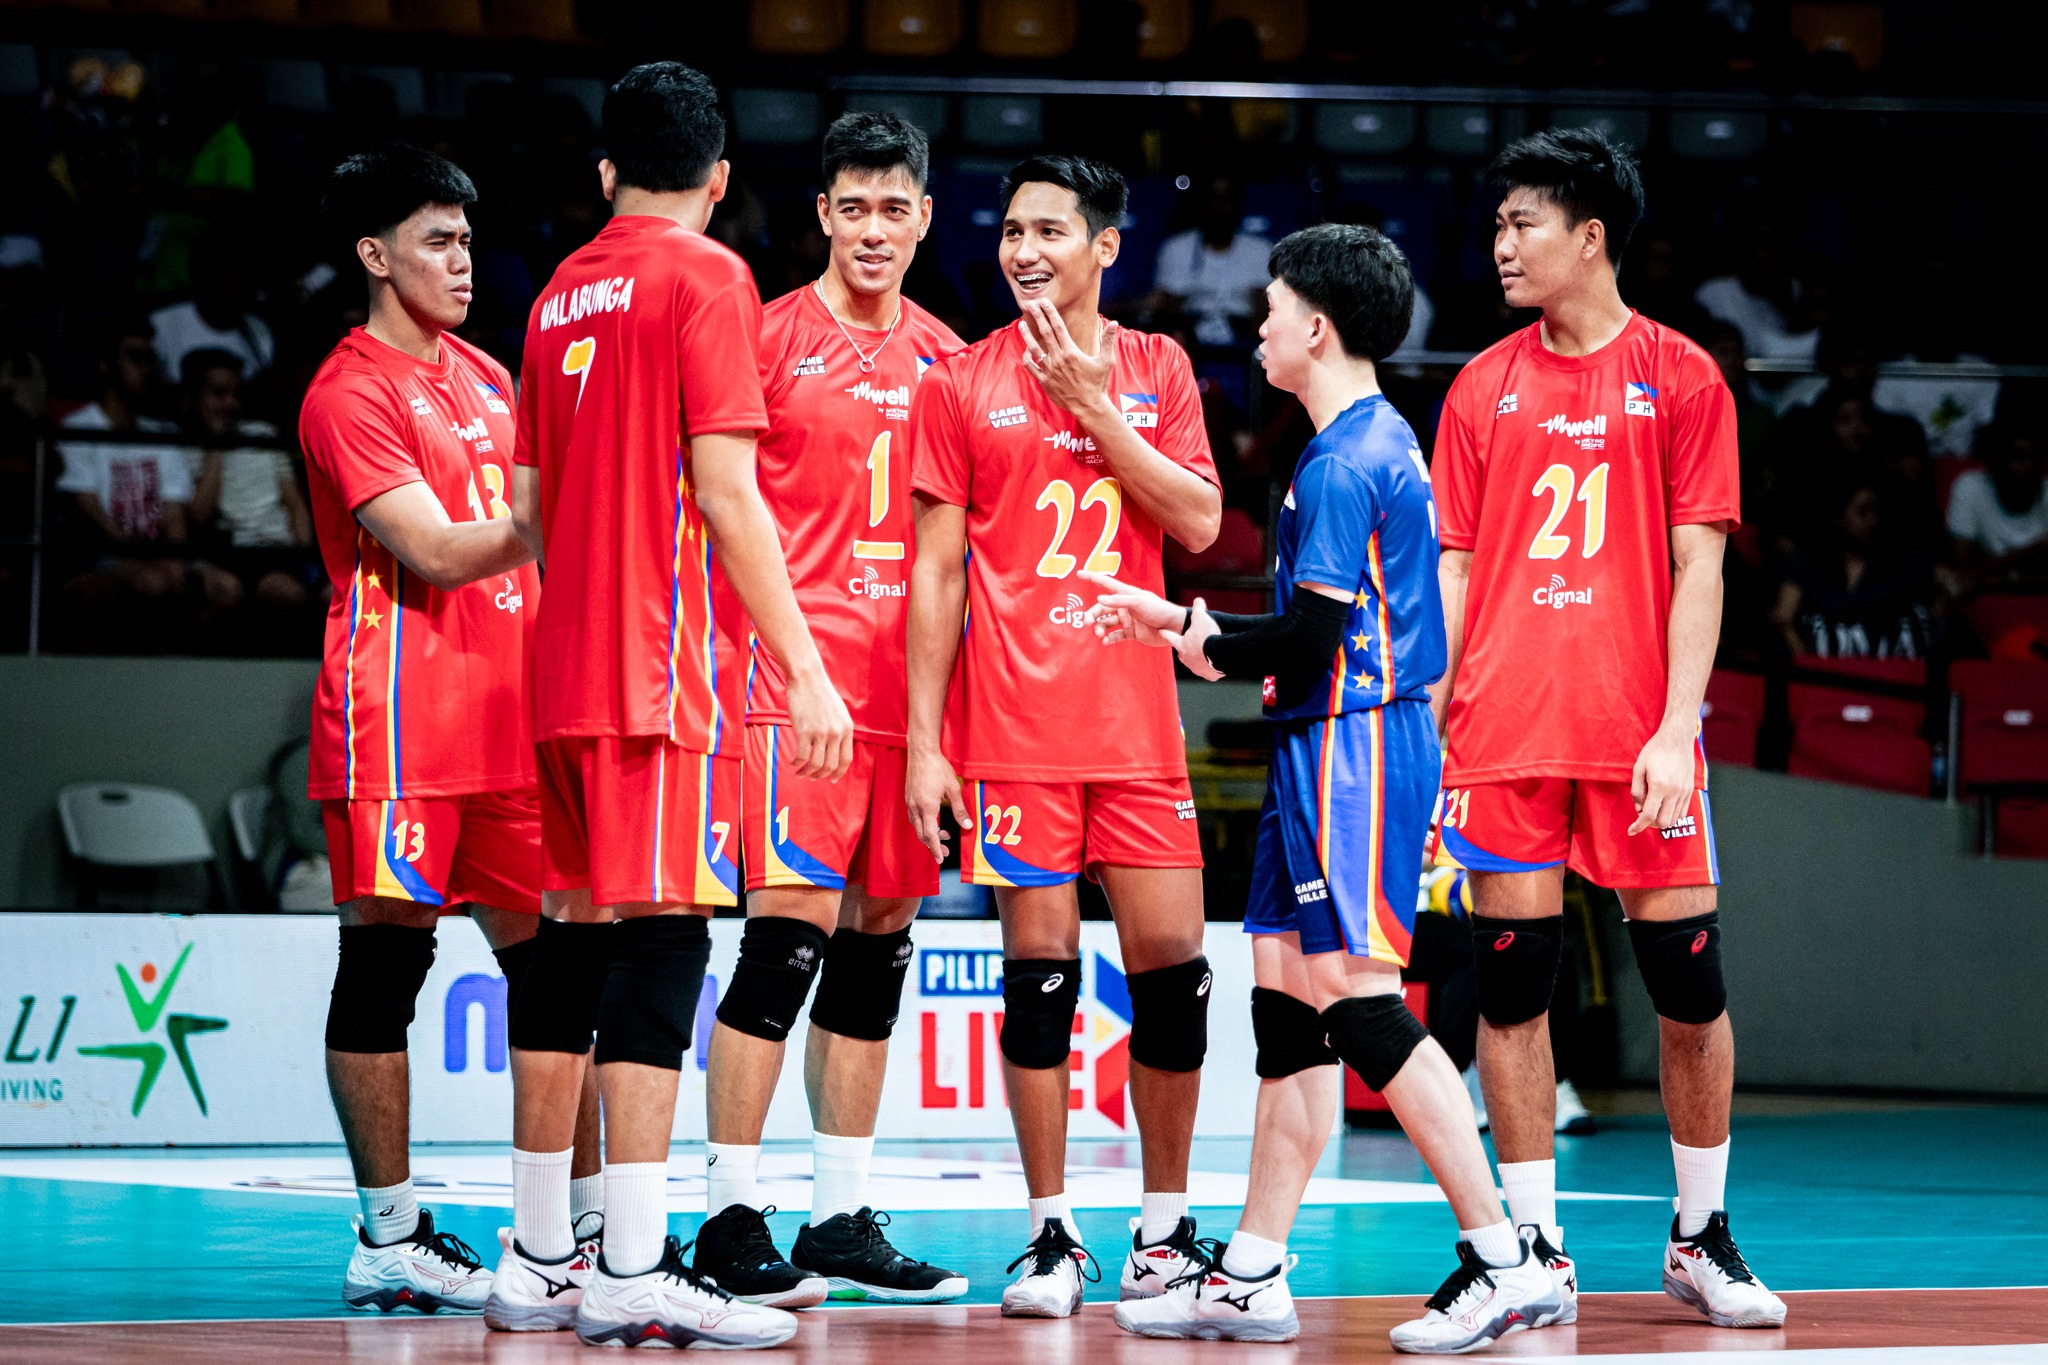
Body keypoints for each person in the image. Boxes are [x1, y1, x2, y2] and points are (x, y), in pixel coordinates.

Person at [1084, 223, 1564, 1355]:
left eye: (1270, 308)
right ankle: (1251, 1271)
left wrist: (1196, 638)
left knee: (1354, 998)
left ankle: (1504, 1258)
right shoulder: (1344, 447)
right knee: (1287, 1016)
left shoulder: (1348, 460)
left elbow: (1309, 636)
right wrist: (1185, 626)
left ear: (1316, 327)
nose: (1254, 326)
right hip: (1316, 743)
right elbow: (1302, 635)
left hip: (1353, 750)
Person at [508, 62, 852, 1350]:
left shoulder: (552, 295)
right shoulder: (708, 278)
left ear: (607, 173)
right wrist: (806, 666)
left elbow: (532, 517)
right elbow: (725, 487)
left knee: (573, 943)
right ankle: (636, 1267)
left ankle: (542, 1253)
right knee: (660, 946)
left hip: (556, 671)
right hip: (654, 670)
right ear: (720, 178)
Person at [1429, 128, 1787, 1332]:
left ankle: (1698, 1238)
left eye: (1521, 224)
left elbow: (1700, 569)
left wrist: (1674, 726)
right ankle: (1529, 1250)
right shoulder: (1481, 384)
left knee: (1688, 994)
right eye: (1494, 226)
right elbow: (1455, 571)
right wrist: (1442, 716)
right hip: (1506, 728)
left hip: (1637, 732)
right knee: (1511, 989)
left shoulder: (1680, 376)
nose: (1500, 246)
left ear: (1589, 236)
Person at [904, 153, 1221, 1319]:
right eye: (1010, 230)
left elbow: (1194, 517)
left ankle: (1163, 1230)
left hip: (1134, 726)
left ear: (1104, 247)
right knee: (1037, 985)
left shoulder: (1156, 366)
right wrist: (928, 746)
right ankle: (1048, 1235)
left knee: (1174, 982)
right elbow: (935, 575)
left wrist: (1094, 408)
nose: (1024, 250)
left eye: (1049, 230)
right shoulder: (958, 378)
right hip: (1014, 730)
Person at [299, 145, 598, 1319]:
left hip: (512, 721)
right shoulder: (347, 392)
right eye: (436, 240)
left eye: (468, 240)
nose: (462, 260)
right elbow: (434, 549)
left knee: (558, 967)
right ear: (375, 257)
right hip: (398, 724)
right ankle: (388, 1233)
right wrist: (576, 493)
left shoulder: (486, 376)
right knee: (383, 968)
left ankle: (573, 1230)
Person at [695, 110, 969, 1305]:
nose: (870, 229)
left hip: (907, 703)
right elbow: (714, 509)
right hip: (789, 689)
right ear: (819, 213)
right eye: (848, 207)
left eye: (891, 207)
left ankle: (837, 1215)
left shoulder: (950, 360)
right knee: (781, 949)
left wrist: (940, 726)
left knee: (875, 956)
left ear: (922, 215)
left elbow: (955, 554)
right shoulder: (761, 339)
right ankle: (723, 1216)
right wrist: (768, 663)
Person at [58, 318, 242, 640]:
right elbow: (91, 513)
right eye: (135, 358)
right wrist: (152, 563)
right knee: (152, 584)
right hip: (105, 558)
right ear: (105, 365)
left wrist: (174, 560)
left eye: (150, 359)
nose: (147, 368)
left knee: (228, 588)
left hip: (161, 557)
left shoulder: (160, 434)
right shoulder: (79, 428)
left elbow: (174, 512)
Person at [178, 348, 317, 615]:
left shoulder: (262, 434)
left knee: (287, 594)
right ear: (191, 397)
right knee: (226, 592)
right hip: (223, 554)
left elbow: (293, 502)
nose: (231, 403)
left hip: (276, 552)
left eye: (236, 394)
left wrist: (303, 556)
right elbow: (198, 517)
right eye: (219, 393)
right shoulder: (181, 448)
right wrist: (216, 445)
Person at [1148, 176, 1273, 346]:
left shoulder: (1260, 250)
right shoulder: (1176, 247)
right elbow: (1170, 307)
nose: (1219, 208)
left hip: (1244, 337)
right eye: (1213, 199)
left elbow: (1265, 308)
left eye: (1226, 200)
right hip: (1189, 336)